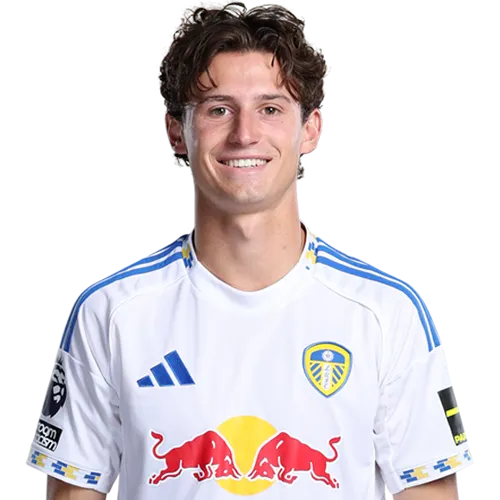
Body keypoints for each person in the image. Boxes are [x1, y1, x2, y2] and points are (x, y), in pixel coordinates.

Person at [27, 1, 473, 499]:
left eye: (270, 109)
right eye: (218, 109)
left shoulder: (386, 313)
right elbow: (74, 492)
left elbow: (429, 490)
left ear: (310, 130)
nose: (245, 134)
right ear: (177, 132)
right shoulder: (111, 313)